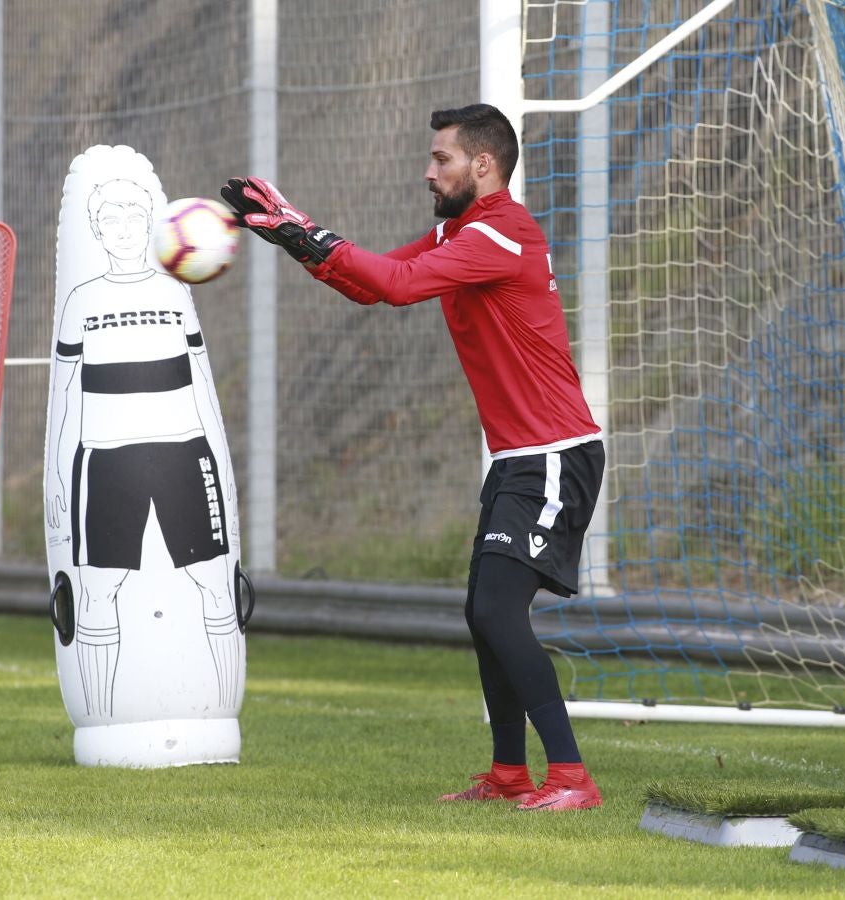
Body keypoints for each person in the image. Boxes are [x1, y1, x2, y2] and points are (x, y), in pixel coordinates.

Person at [220, 103, 605, 811]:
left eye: (442, 160)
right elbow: (373, 286)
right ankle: (509, 776)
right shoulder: (461, 232)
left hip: (554, 453)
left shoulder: (500, 236)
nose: (429, 171)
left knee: (496, 609)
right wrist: (293, 240)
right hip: (520, 456)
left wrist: (305, 229)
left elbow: (395, 283)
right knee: (485, 612)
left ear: (483, 165)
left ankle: (573, 777)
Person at [46, 178, 243, 716]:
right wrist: (60, 478)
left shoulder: (174, 294)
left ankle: (220, 711)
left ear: (151, 230)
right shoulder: (83, 301)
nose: (125, 230)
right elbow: (65, 393)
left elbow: (201, 381)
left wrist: (219, 467)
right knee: (98, 593)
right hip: (107, 462)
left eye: (135, 219)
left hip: (184, 455)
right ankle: (104, 720)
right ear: (97, 230)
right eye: (112, 220)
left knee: (214, 584)